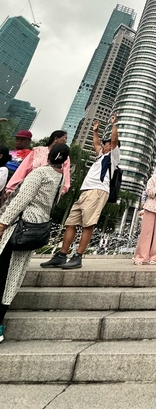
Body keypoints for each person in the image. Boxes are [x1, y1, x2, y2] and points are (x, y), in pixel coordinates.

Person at [0, 143, 69, 343]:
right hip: (37, 227)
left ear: (48, 156)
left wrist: (3, 224)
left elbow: (22, 199)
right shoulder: (60, 178)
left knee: (4, 270)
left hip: (20, 226)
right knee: (15, 273)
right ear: (64, 161)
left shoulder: (40, 174)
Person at [40, 114, 120, 270]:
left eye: (107, 143)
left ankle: (78, 256)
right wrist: (95, 131)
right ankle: (62, 255)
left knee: (87, 224)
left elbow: (115, 141)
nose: (104, 145)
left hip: (98, 191)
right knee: (71, 223)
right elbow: (96, 144)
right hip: (86, 191)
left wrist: (114, 125)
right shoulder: (100, 156)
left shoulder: (113, 157)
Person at [6, 130, 70, 196]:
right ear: (56, 139)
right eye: (65, 138)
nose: (66, 141)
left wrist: (62, 190)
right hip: (26, 187)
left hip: (47, 193)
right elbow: (23, 169)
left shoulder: (64, 157)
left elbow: (66, 175)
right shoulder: (38, 151)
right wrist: (11, 188)